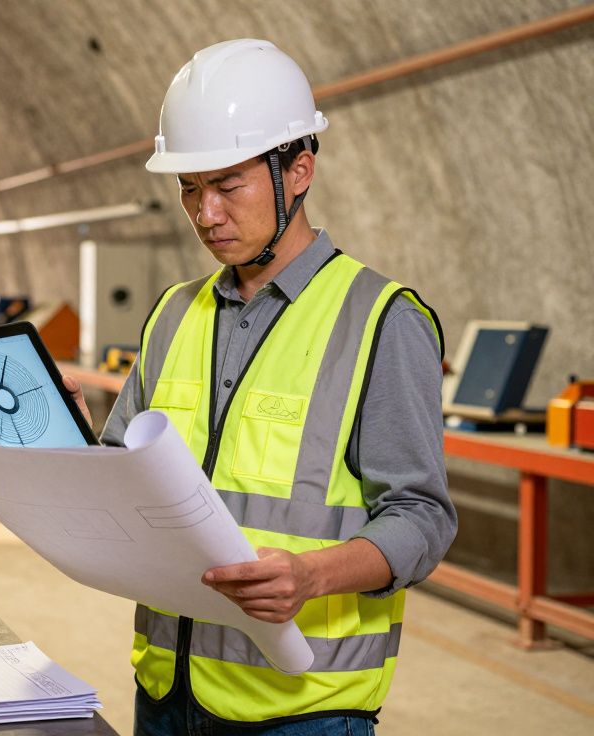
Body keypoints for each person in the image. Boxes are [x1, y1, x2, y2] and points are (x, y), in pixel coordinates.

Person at [62, 39, 457, 735]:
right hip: (165, 690)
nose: (204, 213)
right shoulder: (174, 314)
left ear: (297, 170)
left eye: (226, 184)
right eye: (188, 187)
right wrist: (57, 449)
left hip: (298, 707)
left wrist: (312, 577)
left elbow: (421, 517)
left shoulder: (380, 321)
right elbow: (123, 472)